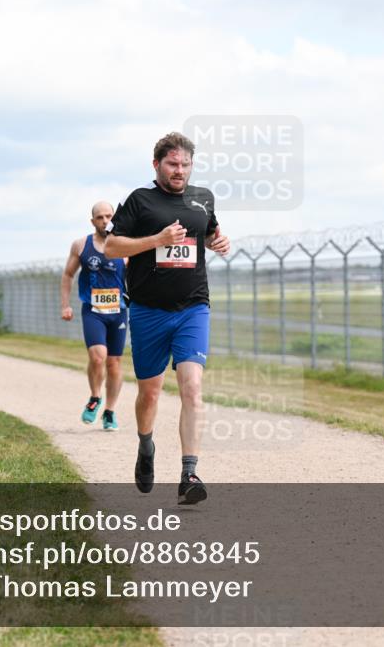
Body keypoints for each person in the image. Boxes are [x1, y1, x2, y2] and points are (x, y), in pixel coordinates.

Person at [105, 132, 230, 505]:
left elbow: (206, 234)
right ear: (156, 164)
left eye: (186, 165)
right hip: (148, 311)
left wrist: (218, 242)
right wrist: (156, 239)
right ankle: (146, 446)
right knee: (150, 392)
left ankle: (189, 473)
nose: (180, 171)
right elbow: (112, 246)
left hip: (193, 306)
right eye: (173, 164)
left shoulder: (202, 198)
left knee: (191, 388)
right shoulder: (140, 200)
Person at [60, 201, 128, 431]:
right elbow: (68, 275)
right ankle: (95, 397)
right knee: (98, 356)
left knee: (114, 363)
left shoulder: (125, 246)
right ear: (93, 221)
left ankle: (109, 411)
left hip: (118, 312)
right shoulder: (81, 245)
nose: (105, 220)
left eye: (109, 216)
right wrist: (65, 305)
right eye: (100, 217)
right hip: (93, 310)